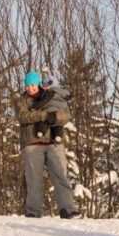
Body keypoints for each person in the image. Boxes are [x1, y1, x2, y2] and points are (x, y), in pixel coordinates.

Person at [13, 70, 81, 219]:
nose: (30, 88)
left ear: (38, 84)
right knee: (34, 179)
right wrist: (44, 115)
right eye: (27, 85)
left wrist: (54, 117)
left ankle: (68, 209)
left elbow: (66, 115)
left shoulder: (51, 95)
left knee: (61, 176)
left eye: (33, 85)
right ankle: (33, 211)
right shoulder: (21, 101)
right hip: (32, 143)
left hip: (53, 142)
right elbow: (24, 117)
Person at [31, 76, 72, 144]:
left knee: (44, 122)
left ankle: (41, 132)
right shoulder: (63, 94)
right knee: (58, 125)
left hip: (49, 111)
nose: (43, 87)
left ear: (49, 84)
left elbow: (43, 102)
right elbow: (67, 111)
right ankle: (58, 136)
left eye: (44, 85)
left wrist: (34, 107)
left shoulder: (49, 93)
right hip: (59, 112)